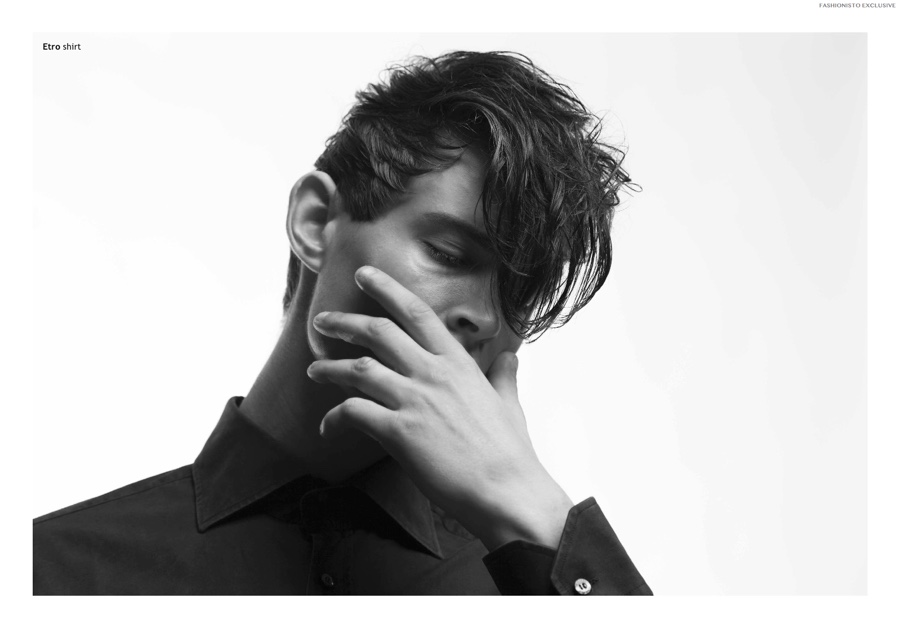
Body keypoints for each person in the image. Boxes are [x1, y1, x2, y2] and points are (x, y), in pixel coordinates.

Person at [33, 51, 652, 595]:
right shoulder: (50, 576)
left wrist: (540, 519)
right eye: (449, 254)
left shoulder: (527, 594)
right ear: (314, 223)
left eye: (521, 294)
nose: (486, 317)